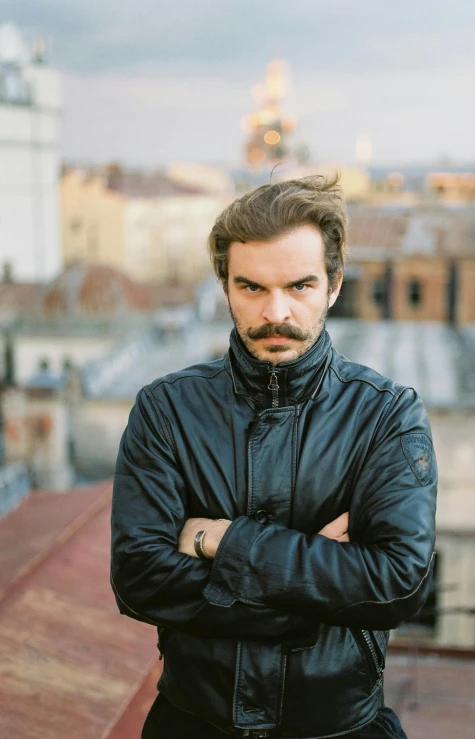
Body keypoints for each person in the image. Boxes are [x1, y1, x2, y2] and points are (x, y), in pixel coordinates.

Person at [110, 175, 437, 738]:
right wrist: (320, 590)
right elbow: (140, 578)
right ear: (225, 285)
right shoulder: (166, 410)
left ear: (333, 285)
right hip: (190, 725)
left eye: (299, 286)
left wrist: (218, 541)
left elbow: (398, 584)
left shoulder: (387, 416)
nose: (275, 312)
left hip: (341, 729)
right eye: (253, 288)